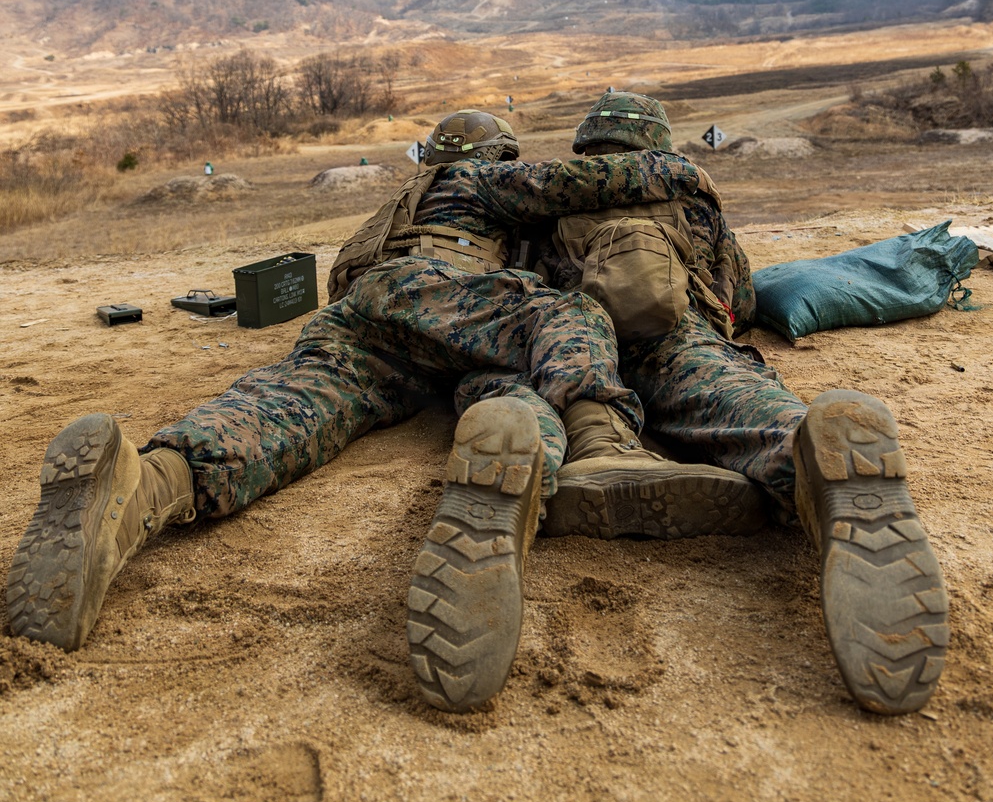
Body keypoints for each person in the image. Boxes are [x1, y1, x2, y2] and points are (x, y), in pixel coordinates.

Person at [6, 110, 760, 715]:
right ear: (494, 157)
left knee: (290, 406)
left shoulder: (386, 211)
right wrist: (683, 170)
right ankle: (598, 441)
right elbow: (585, 183)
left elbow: (352, 288)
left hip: (370, 322)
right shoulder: (478, 178)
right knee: (561, 314)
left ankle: (145, 484)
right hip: (442, 295)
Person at [534, 91, 949, 717]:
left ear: (589, 141)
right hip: (677, 341)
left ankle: (578, 451)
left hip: (575, 345)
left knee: (554, 403)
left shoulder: (551, 199)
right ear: (657, 141)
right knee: (740, 405)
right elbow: (742, 297)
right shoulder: (689, 201)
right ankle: (801, 453)